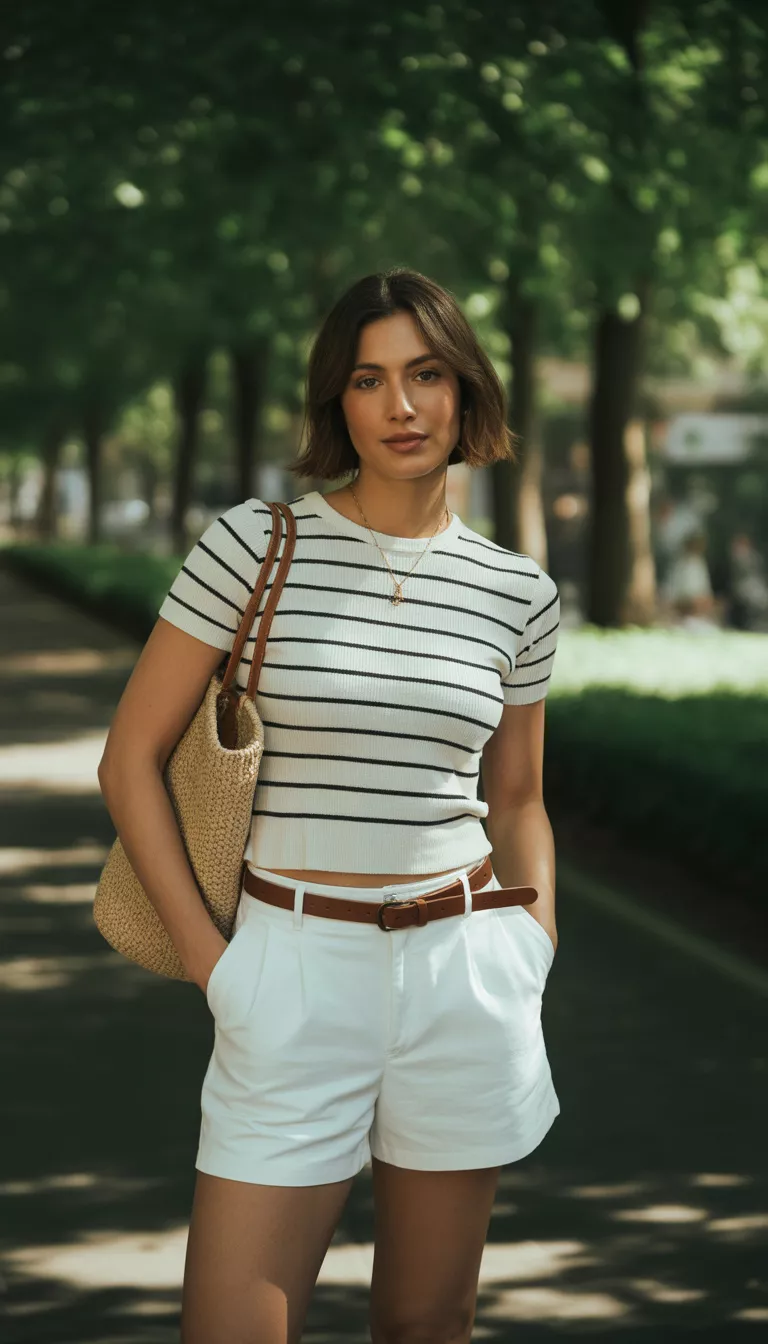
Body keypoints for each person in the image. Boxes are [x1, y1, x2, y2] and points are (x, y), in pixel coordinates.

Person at [97, 267, 562, 1343]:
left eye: (426, 374)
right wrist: (219, 968)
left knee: (427, 1324)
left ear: (464, 392)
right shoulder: (257, 545)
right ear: (337, 404)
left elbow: (521, 793)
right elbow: (131, 758)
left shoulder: (518, 593)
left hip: (466, 975)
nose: (402, 406)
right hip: (289, 969)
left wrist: (530, 948)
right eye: (370, 379)